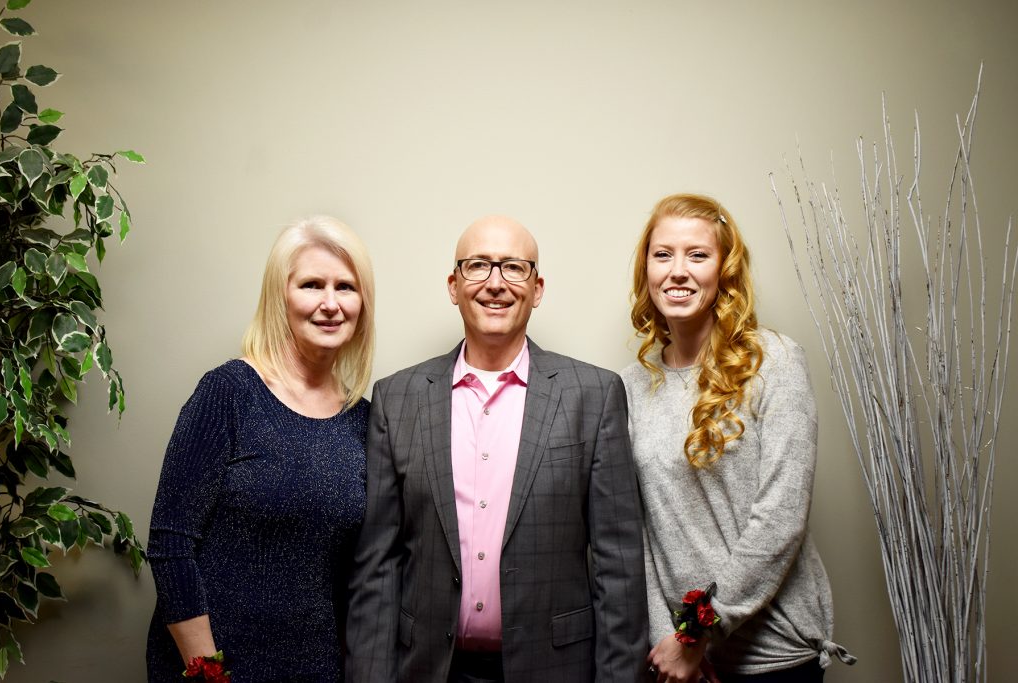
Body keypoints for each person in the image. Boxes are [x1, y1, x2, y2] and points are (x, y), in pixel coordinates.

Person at [347, 215, 648, 682]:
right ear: (453, 285)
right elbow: (378, 565)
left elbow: (619, 566)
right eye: (478, 266)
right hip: (428, 668)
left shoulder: (594, 395)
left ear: (538, 287)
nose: (495, 283)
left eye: (513, 267)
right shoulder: (397, 398)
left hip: (553, 669)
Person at [620, 194, 854, 683]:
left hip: (774, 653)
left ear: (724, 268)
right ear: (646, 269)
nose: (677, 271)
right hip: (676, 665)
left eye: (697, 255)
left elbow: (781, 515)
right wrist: (668, 643)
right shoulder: (629, 387)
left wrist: (696, 634)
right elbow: (634, 532)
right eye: (663, 255)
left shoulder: (775, 363)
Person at [146, 216, 376, 682]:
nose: (330, 304)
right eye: (312, 285)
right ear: (280, 297)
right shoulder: (229, 393)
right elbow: (170, 544)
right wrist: (208, 672)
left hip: (317, 670)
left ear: (362, 305)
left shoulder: (366, 420)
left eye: (346, 288)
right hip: (213, 669)